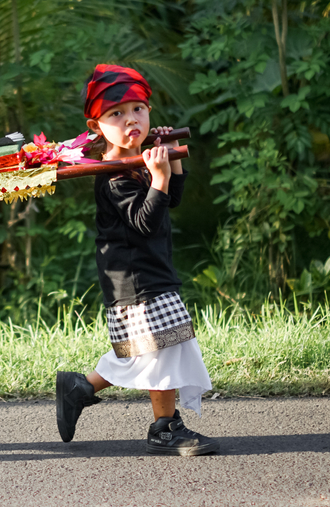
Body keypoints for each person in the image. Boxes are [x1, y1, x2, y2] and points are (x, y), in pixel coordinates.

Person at [55, 64, 219, 456]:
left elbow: (170, 202)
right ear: (96, 126)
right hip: (136, 280)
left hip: (153, 272)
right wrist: (158, 177)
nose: (131, 119)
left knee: (152, 348)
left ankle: (81, 387)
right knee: (161, 349)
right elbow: (146, 223)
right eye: (117, 114)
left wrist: (170, 165)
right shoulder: (116, 175)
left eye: (138, 109)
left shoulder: (137, 163)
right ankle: (164, 428)